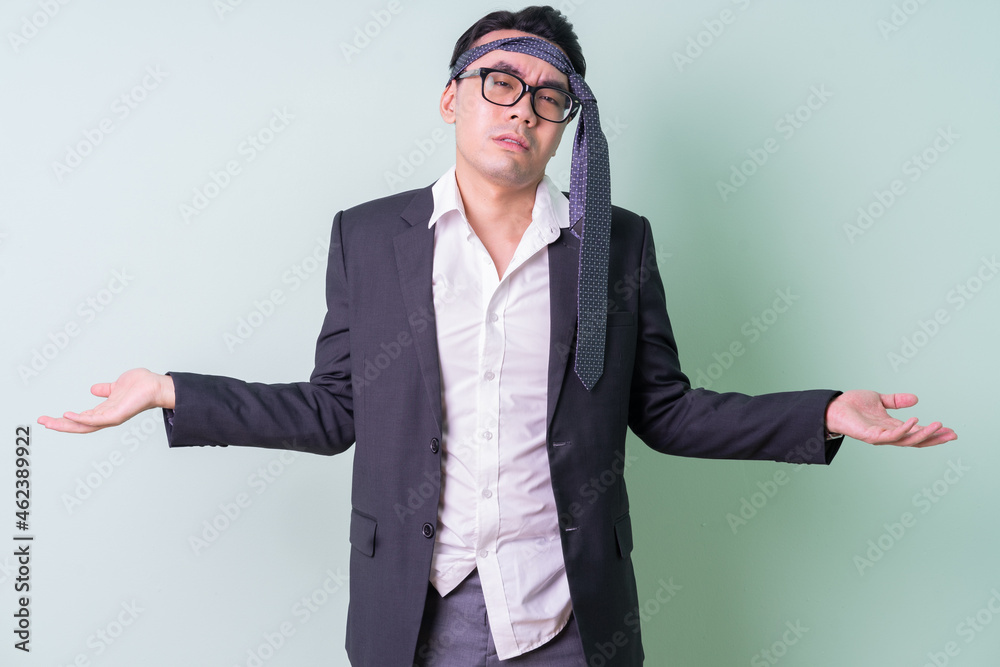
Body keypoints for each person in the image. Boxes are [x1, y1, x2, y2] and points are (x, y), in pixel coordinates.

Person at [39, 6, 957, 666]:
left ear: (567, 124)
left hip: (568, 618)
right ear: (453, 100)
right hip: (410, 615)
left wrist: (827, 411)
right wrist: (169, 388)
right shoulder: (368, 236)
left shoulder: (614, 244)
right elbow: (333, 409)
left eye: (549, 96)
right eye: (500, 81)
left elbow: (667, 411)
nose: (521, 106)